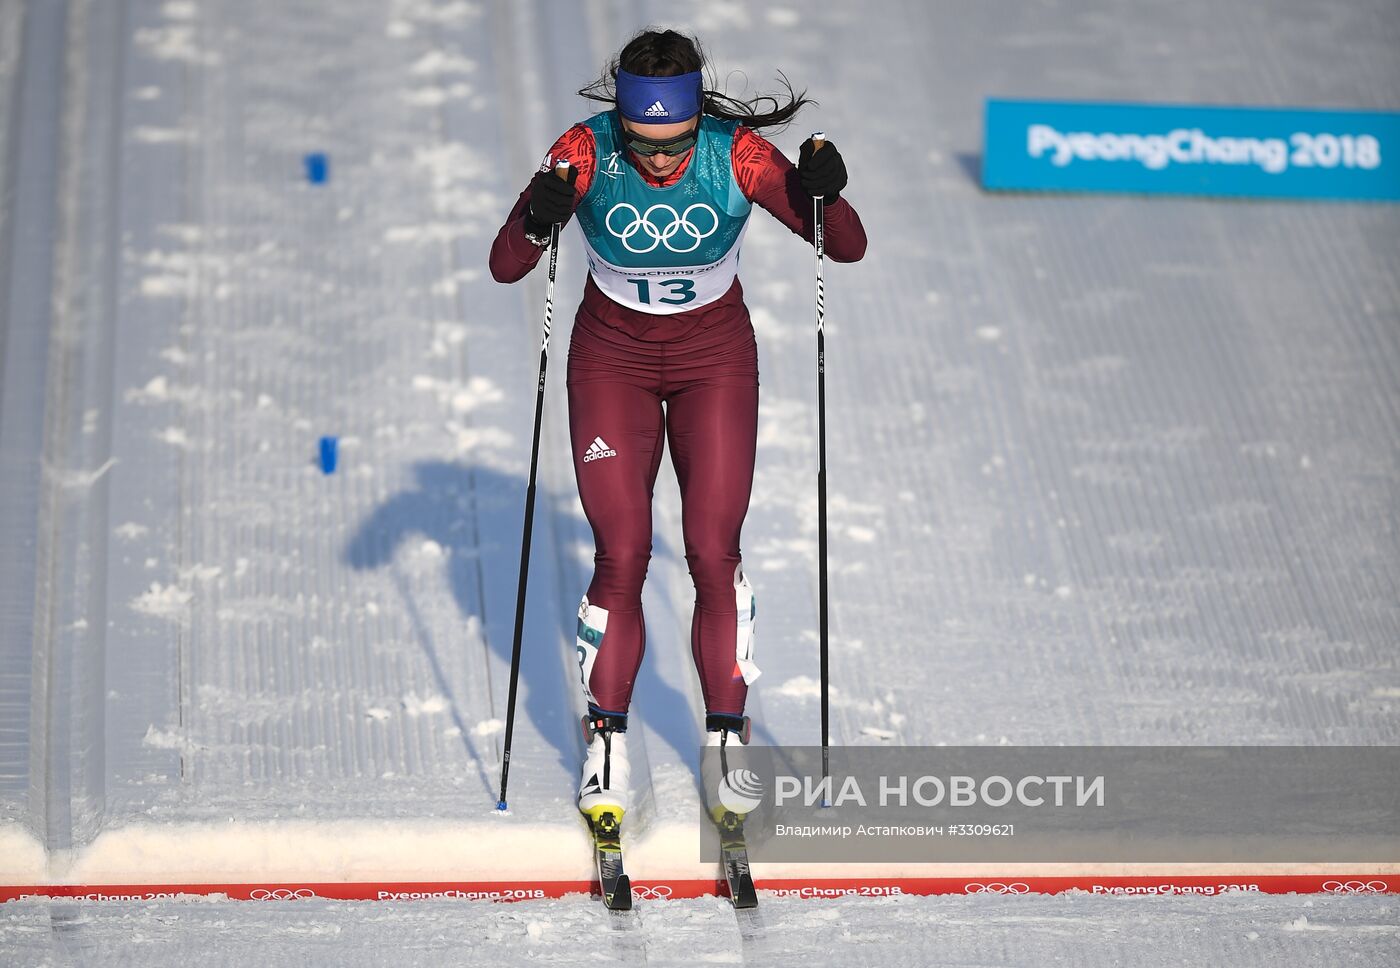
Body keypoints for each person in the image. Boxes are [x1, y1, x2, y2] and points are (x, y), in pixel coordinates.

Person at [489, 28, 866, 832]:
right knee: (622, 553)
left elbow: (850, 246)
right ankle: (608, 744)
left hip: (713, 360)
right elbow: (505, 264)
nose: (660, 163)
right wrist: (538, 214)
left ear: (698, 121)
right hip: (610, 360)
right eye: (644, 145)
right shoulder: (584, 152)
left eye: (676, 144)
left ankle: (728, 739)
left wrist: (824, 193)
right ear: (622, 124)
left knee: (712, 550)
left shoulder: (739, 156)